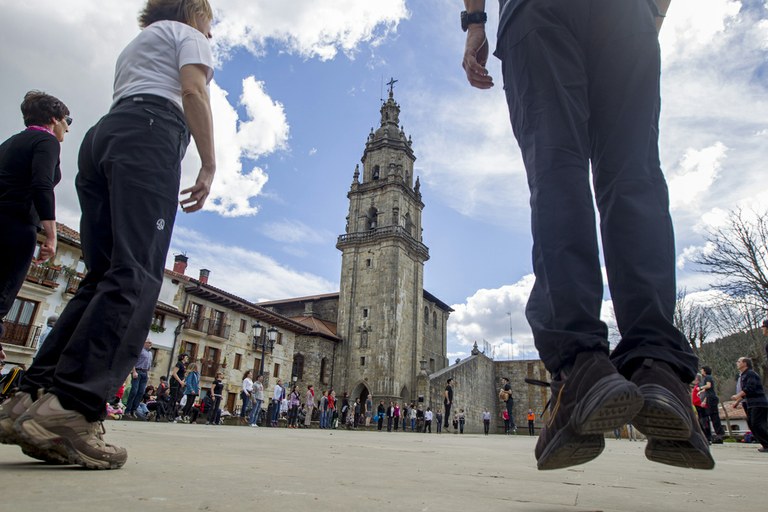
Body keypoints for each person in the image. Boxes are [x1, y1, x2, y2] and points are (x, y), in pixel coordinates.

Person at [461, 0, 712, 470]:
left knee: (557, 169)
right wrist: (649, 16)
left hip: (539, 13)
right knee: (633, 173)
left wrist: (474, 22)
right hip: (626, 14)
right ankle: (659, 368)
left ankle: (582, 366)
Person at [2, 0, 216, 470]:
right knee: (137, 274)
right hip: (151, 134)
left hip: (104, 136)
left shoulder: (140, 42)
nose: (213, 28)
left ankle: (29, 399)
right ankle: (73, 408)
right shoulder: (189, 35)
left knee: (100, 277)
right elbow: (193, 92)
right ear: (195, 12)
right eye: (211, 18)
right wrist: (208, 163)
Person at [0, 91, 70, 343]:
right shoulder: (46, 141)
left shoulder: (10, 142)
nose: (68, 129)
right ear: (54, 118)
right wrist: (51, 235)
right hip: (17, 226)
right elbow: (42, 185)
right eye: (67, 121)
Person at [732, 357, 768, 453]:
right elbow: (746, 393)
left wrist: (738, 395)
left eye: (739, 361)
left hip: (759, 402)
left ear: (745, 363)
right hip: (751, 403)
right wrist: (737, 401)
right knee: (752, 424)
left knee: (758, 424)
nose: (737, 363)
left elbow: (750, 387)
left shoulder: (750, 373)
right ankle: (765, 444)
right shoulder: (743, 375)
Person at [125, 339, 153, 418]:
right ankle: (128, 410)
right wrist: (134, 371)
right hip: (138, 371)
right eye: (149, 342)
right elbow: (133, 361)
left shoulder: (150, 353)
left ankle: (134, 410)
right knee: (134, 391)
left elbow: (149, 364)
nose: (151, 344)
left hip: (145, 373)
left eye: (151, 343)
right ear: (144, 343)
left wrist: (148, 374)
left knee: (141, 392)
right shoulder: (140, 350)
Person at [699, 366, 724, 443]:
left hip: (712, 399)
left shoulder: (708, 377)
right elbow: (707, 390)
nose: (701, 371)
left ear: (705, 371)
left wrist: (700, 388)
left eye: (702, 370)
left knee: (714, 416)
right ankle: (717, 434)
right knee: (712, 417)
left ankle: (720, 434)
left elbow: (708, 386)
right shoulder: (706, 378)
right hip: (709, 398)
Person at [168, 353, 189, 421]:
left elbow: (182, 375)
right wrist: (180, 381)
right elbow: (174, 373)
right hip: (175, 382)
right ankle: (169, 414)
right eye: (186, 357)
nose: (187, 358)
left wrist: (183, 381)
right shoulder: (179, 363)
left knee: (177, 397)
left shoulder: (184, 365)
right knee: (173, 398)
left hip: (179, 382)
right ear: (182, 357)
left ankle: (173, 414)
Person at [692, 374, 712, 443]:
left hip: (701, 405)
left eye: (694, 378)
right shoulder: (696, 386)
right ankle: (704, 436)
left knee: (704, 421)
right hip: (697, 405)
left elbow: (705, 393)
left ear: (697, 379)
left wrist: (704, 401)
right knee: (701, 421)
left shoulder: (700, 385)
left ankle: (707, 437)